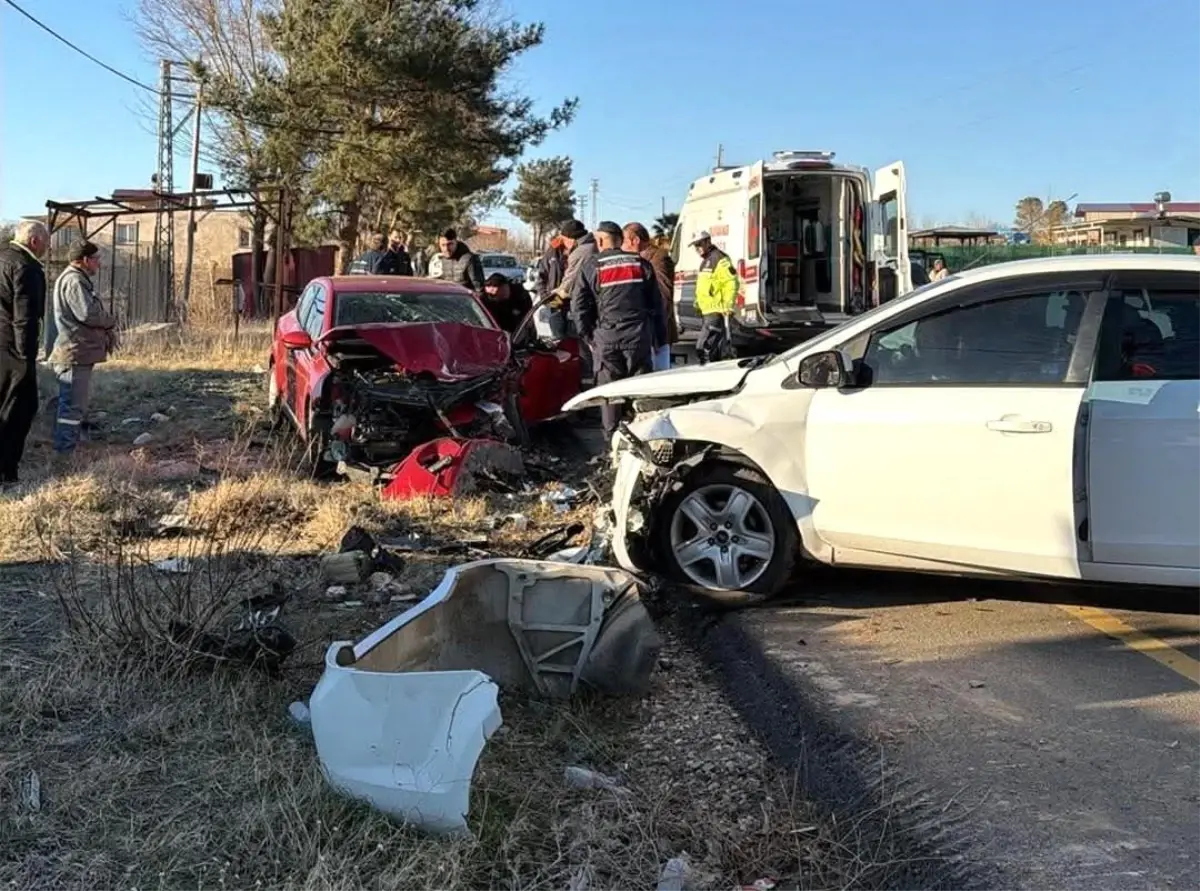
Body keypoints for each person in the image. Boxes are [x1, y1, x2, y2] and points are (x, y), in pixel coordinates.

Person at [574, 221, 665, 438]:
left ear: (601, 240)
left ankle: (613, 442)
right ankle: (643, 441)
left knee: (610, 395)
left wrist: (588, 336)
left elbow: (579, 306)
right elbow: (657, 305)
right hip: (638, 338)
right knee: (639, 393)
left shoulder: (591, 265)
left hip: (607, 339)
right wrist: (659, 339)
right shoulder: (641, 264)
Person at [49, 239, 116, 463]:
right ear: (85, 260)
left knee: (73, 404)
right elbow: (87, 314)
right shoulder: (74, 281)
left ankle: (69, 446)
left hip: (78, 352)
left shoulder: (77, 279)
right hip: (74, 353)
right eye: (96, 259)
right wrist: (109, 321)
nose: (99, 264)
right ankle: (65, 455)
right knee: (72, 407)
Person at [0, 220, 49, 485]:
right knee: (20, 408)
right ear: (34, 241)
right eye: (46, 241)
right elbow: (26, 318)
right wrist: (26, 358)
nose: (47, 247)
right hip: (13, 351)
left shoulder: (2, 259)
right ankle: (6, 471)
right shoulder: (26, 267)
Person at [623, 222, 676, 371]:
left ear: (635, 241)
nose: (622, 247)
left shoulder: (658, 259)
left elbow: (664, 295)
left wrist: (657, 331)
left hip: (656, 333)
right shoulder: (640, 259)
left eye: (624, 242)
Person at [690, 230, 738, 363]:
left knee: (703, 349)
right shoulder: (706, 261)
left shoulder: (720, 259)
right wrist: (698, 302)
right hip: (708, 311)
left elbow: (731, 282)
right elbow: (705, 286)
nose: (697, 248)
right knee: (712, 350)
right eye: (695, 245)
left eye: (699, 244)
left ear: (708, 241)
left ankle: (705, 375)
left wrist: (728, 305)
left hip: (716, 311)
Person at [433, 228, 486, 293]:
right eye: (443, 245)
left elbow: (479, 288)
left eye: (450, 244)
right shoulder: (444, 259)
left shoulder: (470, 259)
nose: (446, 249)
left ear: (456, 242)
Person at [534, 234, 567, 335]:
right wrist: (544, 295)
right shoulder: (552, 252)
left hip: (574, 301)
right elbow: (541, 276)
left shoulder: (578, 252)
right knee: (558, 332)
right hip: (555, 300)